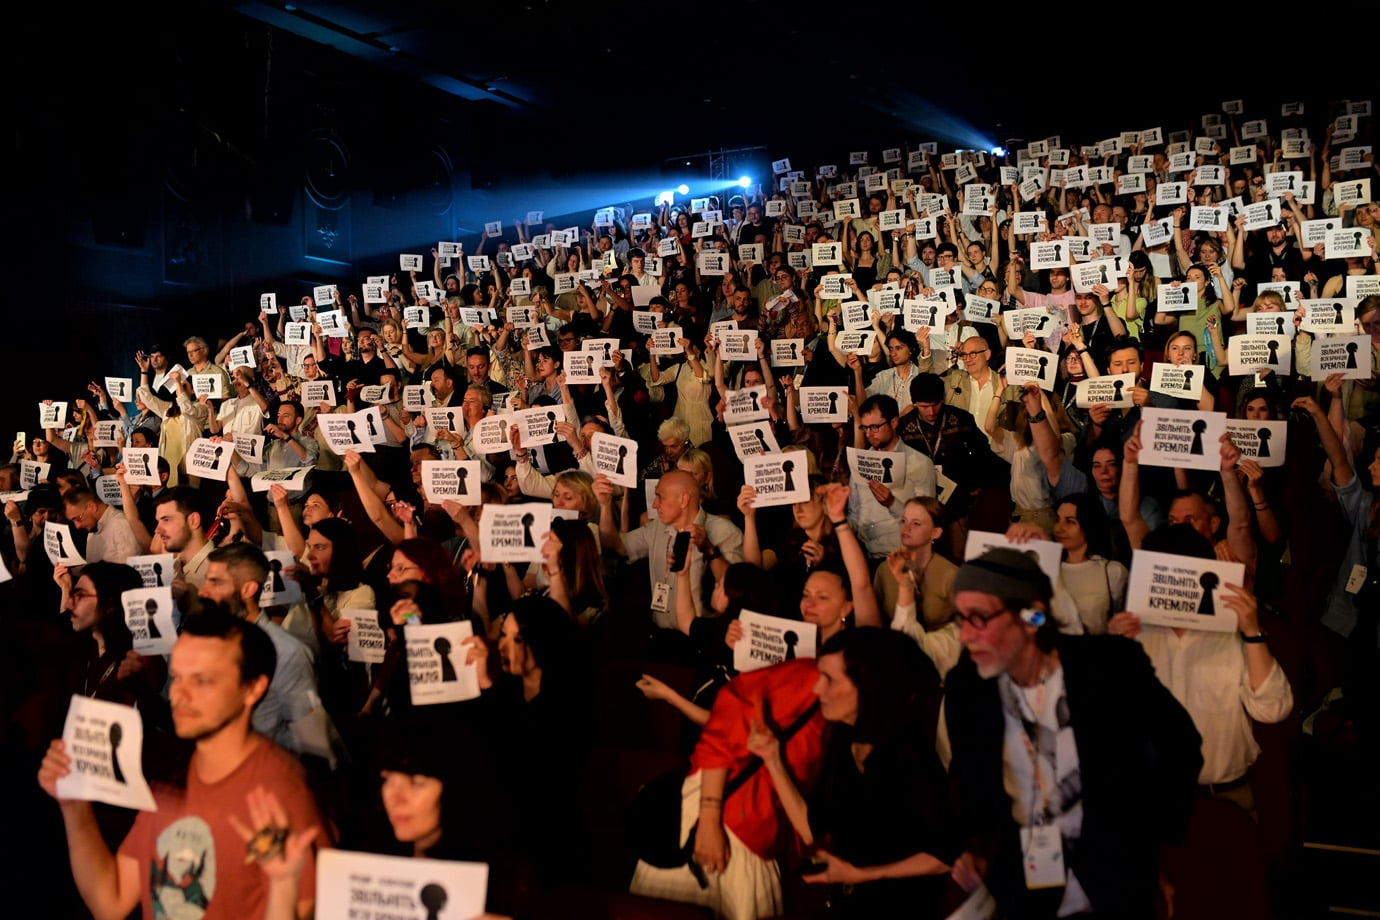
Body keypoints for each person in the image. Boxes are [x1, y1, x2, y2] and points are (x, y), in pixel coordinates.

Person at [944, 548, 1202, 919]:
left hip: (1114, 878)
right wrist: (975, 844)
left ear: (1031, 616)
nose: (965, 634)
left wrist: (1150, 847)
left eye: (980, 617)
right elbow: (971, 776)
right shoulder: (967, 687)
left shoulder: (1110, 667)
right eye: (960, 618)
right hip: (1025, 882)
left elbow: (1181, 745)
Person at [37, 608, 323, 920]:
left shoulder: (283, 793)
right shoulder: (171, 777)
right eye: (176, 677)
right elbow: (112, 900)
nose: (178, 693)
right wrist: (74, 805)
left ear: (252, 688)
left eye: (201, 680)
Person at [749, 628, 956, 918]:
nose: (817, 689)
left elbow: (943, 857)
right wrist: (772, 759)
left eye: (830, 679)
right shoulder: (843, 739)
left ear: (869, 687)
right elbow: (812, 829)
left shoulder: (910, 755)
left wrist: (861, 875)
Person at [199, 543, 321, 758]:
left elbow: (312, 741)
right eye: (206, 581)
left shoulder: (286, 653)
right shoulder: (204, 643)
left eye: (215, 582)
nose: (203, 591)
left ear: (248, 589)